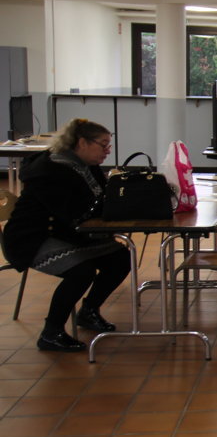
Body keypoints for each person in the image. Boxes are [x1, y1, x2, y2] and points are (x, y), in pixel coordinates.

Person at [1, 118, 130, 351]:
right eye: (103, 145)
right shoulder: (49, 170)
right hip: (32, 238)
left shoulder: (85, 165)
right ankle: (51, 333)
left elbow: (97, 202)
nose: (107, 150)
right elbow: (71, 214)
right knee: (81, 271)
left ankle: (88, 311)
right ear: (82, 142)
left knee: (120, 258)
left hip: (68, 234)